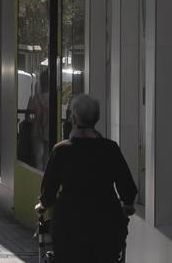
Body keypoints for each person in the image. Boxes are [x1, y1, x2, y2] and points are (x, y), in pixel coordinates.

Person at [35, 94, 137, 263]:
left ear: (74, 118)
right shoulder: (110, 149)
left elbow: (49, 192)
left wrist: (42, 205)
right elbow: (128, 190)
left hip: (69, 228)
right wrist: (127, 207)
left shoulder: (61, 150)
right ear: (96, 119)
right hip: (106, 227)